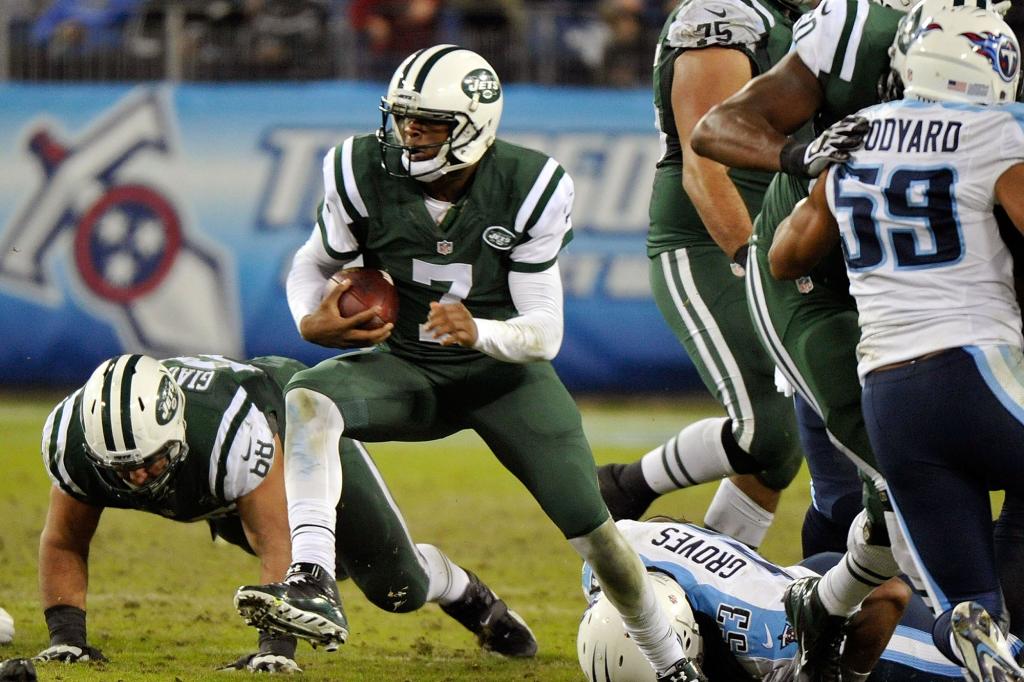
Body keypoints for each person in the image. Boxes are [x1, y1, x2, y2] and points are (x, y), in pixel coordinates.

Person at [232, 44, 701, 681]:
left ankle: (671, 663)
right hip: (408, 369)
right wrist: (308, 317)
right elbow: (312, 263)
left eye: (428, 121)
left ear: (473, 126)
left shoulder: (530, 186)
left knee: (597, 537)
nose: (408, 132)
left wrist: (477, 329)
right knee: (309, 399)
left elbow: (546, 334)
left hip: (505, 380)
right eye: (402, 117)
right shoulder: (359, 168)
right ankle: (312, 575)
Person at [688, 0, 1024, 675]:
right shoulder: (997, 132)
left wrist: (826, 172)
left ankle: (969, 633)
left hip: (891, 388)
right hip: (963, 358)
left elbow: (786, 254)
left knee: (968, 603)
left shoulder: (859, 133)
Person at [36, 353, 536, 673]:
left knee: (392, 585)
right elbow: (63, 540)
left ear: (178, 429)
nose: (139, 479)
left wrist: (275, 649)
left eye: (150, 462)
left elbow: (281, 542)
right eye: (121, 469)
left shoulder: (228, 435)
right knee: (339, 568)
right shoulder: (74, 443)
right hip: (223, 485)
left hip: (294, 422)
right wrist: (66, 640)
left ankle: (456, 586)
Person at [596, 0, 814, 553]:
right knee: (768, 430)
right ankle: (625, 486)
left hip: (787, 240)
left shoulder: (807, 20)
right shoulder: (723, 16)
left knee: (784, 448)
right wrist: (751, 259)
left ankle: (713, 586)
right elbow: (704, 164)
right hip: (710, 242)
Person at [577, 517, 1013, 681]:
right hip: (808, 575)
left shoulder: (764, 636)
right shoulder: (608, 562)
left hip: (848, 618)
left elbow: (890, 595)